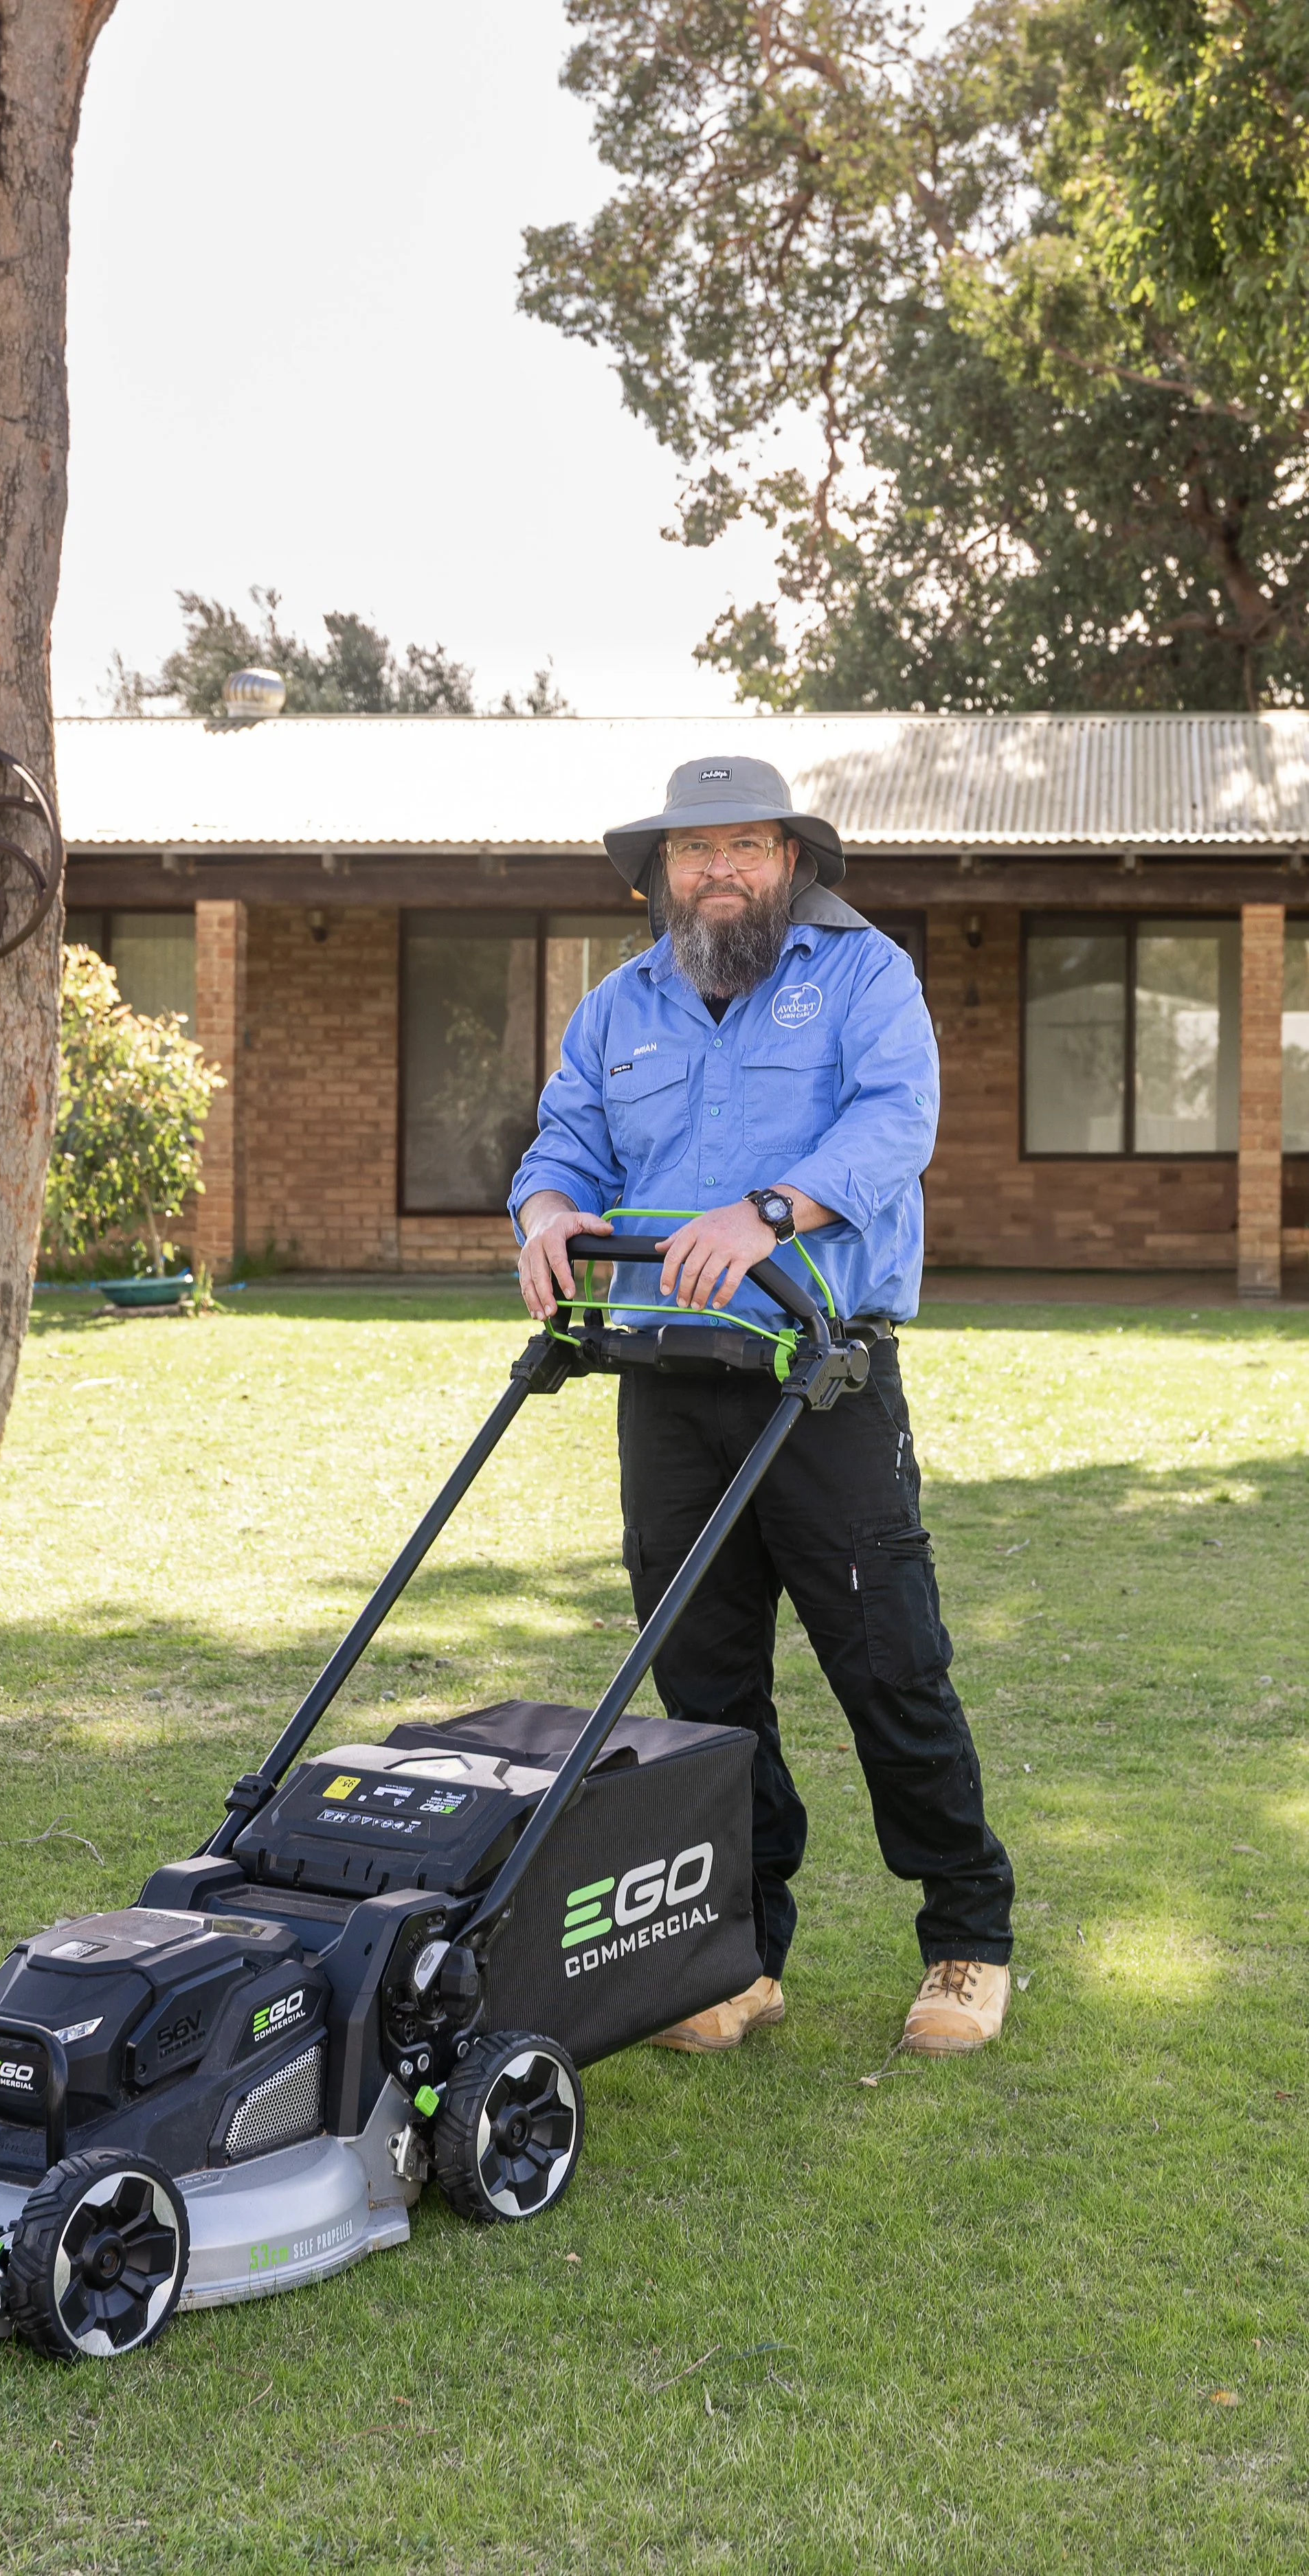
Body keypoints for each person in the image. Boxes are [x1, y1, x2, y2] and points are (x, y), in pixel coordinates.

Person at [509, 756, 1014, 2056]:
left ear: (789, 859)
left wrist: (770, 1210)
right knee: (704, 1687)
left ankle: (968, 1936)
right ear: (660, 874)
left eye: (743, 844)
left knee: (889, 1664)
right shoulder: (617, 1007)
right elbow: (566, 1139)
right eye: (693, 850)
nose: (717, 869)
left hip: (820, 1373)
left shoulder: (862, 978)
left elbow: (898, 1122)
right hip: (668, 1385)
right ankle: (742, 1955)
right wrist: (549, 1210)